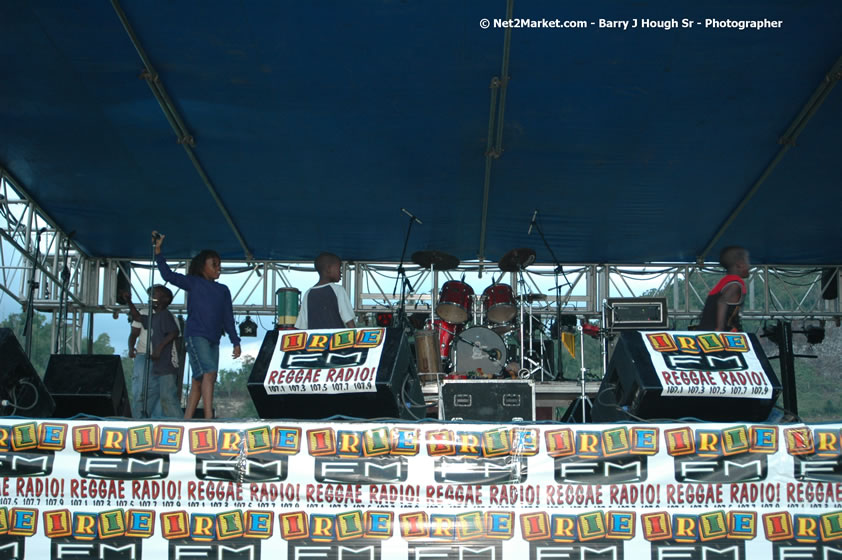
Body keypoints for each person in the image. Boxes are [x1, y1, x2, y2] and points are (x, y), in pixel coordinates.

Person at [152, 231, 241, 419]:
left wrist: (235, 341)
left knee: (199, 380)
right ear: (203, 267)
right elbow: (167, 275)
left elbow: (228, 317)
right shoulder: (193, 283)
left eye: (219, 265)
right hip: (196, 335)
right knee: (209, 373)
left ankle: (187, 420)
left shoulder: (223, 290)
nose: (219, 268)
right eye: (214, 265)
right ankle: (209, 417)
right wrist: (158, 251)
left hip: (213, 339)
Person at [126, 285, 181, 418]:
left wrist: (159, 349)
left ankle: (179, 425)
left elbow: (174, 333)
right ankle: (142, 420)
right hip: (152, 359)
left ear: (165, 299)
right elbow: (137, 319)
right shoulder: (151, 315)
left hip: (165, 361)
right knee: (151, 393)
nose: (152, 297)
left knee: (166, 396)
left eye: (155, 295)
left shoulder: (167, 316)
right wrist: (128, 301)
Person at [295, 252, 356, 329]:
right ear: (328, 269)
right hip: (336, 340)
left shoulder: (308, 293)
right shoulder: (338, 290)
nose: (341, 272)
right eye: (339, 268)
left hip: (315, 340)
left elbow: (302, 326)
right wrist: (357, 338)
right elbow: (349, 320)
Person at [697, 246, 751, 332]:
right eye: (748, 261)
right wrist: (720, 329)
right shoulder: (735, 284)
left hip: (706, 332)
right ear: (740, 264)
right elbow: (722, 301)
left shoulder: (723, 283)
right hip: (721, 335)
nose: (749, 265)